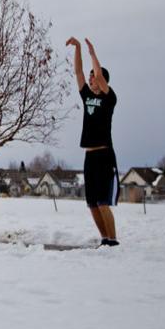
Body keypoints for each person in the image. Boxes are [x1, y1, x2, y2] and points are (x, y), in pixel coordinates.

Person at [66, 37, 120, 247]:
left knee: (103, 202)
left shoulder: (109, 98)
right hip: (89, 157)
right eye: (90, 77)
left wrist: (92, 53)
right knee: (92, 204)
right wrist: (78, 48)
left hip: (104, 156)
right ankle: (105, 239)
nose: (90, 79)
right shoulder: (87, 95)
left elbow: (97, 74)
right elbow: (78, 72)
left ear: (103, 81)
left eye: (94, 77)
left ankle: (113, 240)